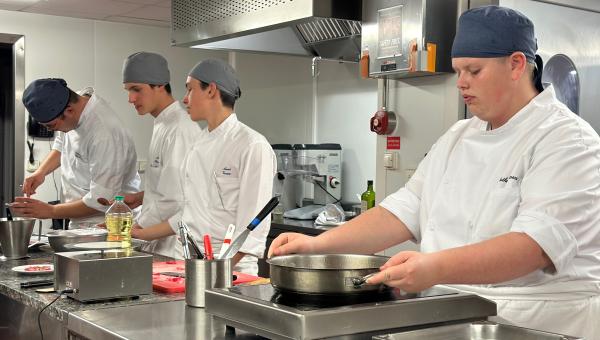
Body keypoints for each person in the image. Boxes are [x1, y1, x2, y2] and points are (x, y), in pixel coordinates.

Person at [269, 6, 600, 339]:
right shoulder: (459, 135)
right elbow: (401, 212)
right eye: (458, 71)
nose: (462, 83)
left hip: (537, 323)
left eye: (474, 70)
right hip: (456, 312)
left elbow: (533, 247)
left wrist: (433, 267)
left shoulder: (568, 140)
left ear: (516, 64)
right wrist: (318, 247)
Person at [131, 59, 276, 275]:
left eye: (190, 89)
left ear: (211, 90)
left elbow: (254, 227)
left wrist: (217, 270)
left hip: (231, 271)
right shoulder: (199, 143)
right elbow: (189, 214)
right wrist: (140, 234)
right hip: (190, 264)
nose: (185, 98)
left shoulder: (252, 145)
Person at [12, 78, 141, 228]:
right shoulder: (74, 103)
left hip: (109, 225)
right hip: (80, 223)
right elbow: (61, 144)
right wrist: (40, 173)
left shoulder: (105, 134)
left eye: (51, 125)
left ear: (69, 111)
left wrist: (51, 211)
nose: (50, 130)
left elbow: (101, 199)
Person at [116, 51, 203, 258]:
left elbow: (174, 199)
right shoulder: (163, 123)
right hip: (157, 242)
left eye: (136, 89)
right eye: (128, 90)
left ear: (160, 85)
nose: (131, 98)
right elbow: (172, 185)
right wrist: (140, 197)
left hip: (173, 247)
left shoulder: (180, 128)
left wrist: (131, 228)